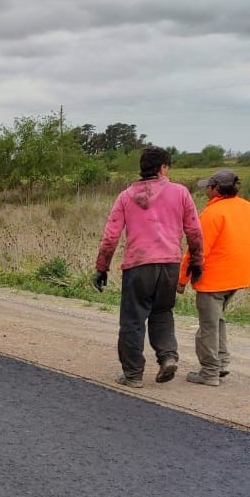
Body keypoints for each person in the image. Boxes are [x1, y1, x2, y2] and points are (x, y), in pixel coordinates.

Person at [94, 146, 203, 388]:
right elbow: (194, 231)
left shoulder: (125, 196)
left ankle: (133, 375)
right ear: (163, 168)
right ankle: (167, 357)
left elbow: (110, 237)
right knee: (162, 313)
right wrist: (196, 261)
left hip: (138, 265)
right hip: (170, 264)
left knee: (133, 320)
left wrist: (102, 267)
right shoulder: (181, 193)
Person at [177, 169, 250, 386]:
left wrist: (182, 278)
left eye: (208, 186)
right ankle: (222, 363)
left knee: (208, 326)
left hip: (214, 279)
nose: (206, 190)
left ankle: (209, 372)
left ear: (216, 189)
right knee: (216, 319)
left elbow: (197, 250)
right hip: (238, 276)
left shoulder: (212, 214)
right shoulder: (246, 208)